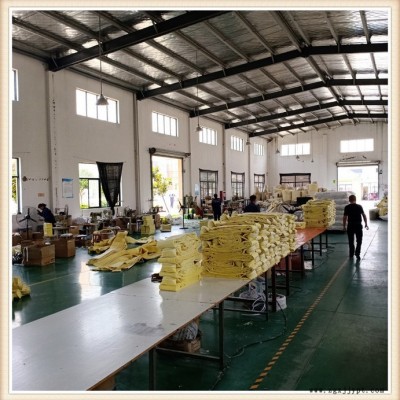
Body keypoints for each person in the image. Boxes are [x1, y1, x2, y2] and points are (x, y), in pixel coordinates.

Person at [343, 195, 369, 260]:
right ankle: (357, 253)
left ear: (349, 200)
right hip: (358, 225)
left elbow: (345, 217)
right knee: (359, 240)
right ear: (355, 199)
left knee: (351, 241)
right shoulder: (359, 206)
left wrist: (344, 226)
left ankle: (351, 254)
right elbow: (364, 215)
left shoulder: (347, 207)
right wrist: (366, 224)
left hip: (350, 226)